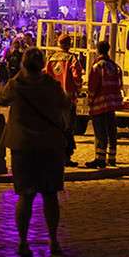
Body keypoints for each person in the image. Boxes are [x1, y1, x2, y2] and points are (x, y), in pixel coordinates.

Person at [0, 47, 70, 257]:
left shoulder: (16, 85)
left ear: (23, 65)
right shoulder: (52, 85)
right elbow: (67, 103)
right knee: (50, 194)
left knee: (25, 196)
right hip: (50, 145)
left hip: (23, 146)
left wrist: (18, 75)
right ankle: (53, 240)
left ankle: (22, 242)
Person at [84, 39, 124, 168]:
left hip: (100, 104)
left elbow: (92, 86)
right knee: (111, 131)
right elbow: (119, 84)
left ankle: (100, 160)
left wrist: (90, 103)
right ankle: (112, 158)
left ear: (97, 50)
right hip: (112, 104)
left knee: (100, 132)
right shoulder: (115, 66)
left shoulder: (97, 66)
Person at [46, 34, 83, 165]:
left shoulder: (50, 58)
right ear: (69, 44)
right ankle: (65, 157)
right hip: (68, 99)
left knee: (54, 127)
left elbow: (45, 76)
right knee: (68, 128)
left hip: (52, 99)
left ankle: (53, 155)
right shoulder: (72, 58)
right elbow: (77, 77)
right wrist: (78, 89)